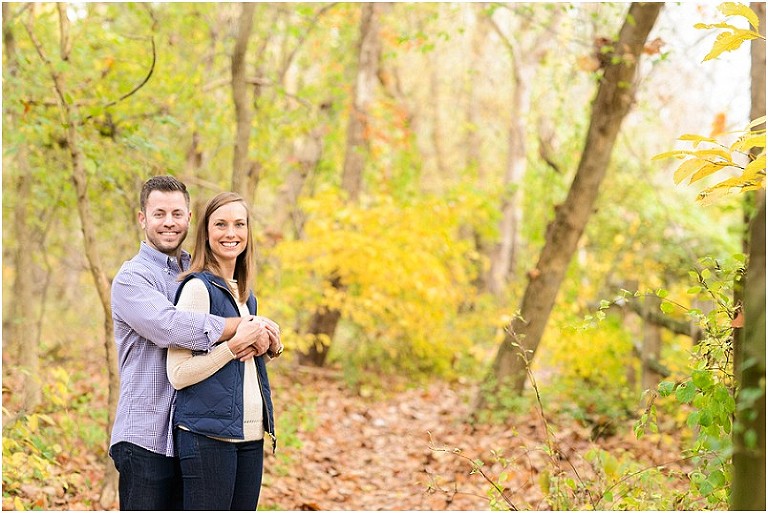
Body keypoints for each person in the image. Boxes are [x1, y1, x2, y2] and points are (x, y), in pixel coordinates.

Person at [110, 176, 272, 510]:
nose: (168, 222)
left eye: (176, 213)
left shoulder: (199, 271)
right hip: (147, 437)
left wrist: (264, 341)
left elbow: (228, 357)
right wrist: (241, 327)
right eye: (159, 214)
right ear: (142, 218)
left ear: (189, 219)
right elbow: (170, 326)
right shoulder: (132, 278)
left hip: (190, 432)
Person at [167, 191, 282, 510]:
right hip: (207, 437)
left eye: (239, 224)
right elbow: (178, 374)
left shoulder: (247, 296)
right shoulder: (197, 289)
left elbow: (240, 368)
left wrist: (271, 345)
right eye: (220, 224)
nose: (231, 233)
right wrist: (232, 347)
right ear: (205, 232)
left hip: (250, 437)